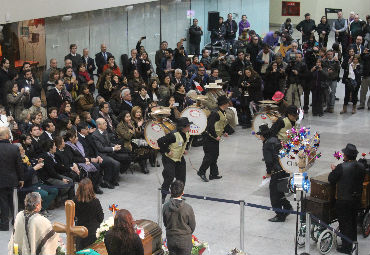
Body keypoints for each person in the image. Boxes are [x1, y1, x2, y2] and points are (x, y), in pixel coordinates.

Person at [328, 144, 365, 254]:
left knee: (344, 224)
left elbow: (331, 179)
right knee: (353, 222)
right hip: (356, 199)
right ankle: (353, 242)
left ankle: (346, 247)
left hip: (344, 200)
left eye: (344, 154)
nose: (343, 155)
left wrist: (334, 170)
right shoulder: (361, 166)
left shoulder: (341, 167)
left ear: (347, 156)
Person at [257, 124, 292, 222]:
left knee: (274, 194)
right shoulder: (276, 139)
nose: (260, 137)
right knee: (281, 191)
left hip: (277, 172)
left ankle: (280, 215)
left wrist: (268, 173)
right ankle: (287, 207)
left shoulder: (267, 145)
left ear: (263, 135)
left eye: (260, 135)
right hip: (285, 169)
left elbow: (269, 161)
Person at [158, 117, 192, 203]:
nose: (189, 127)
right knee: (169, 177)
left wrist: (185, 149)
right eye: (188, 126)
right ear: (182, 127)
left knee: (181, 178)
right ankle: (163, 195)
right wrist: (167, 150)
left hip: (179, 158)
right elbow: (160, 141)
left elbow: (186, 141)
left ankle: (177, 195)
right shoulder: (173, 135)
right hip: (169, 158)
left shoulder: (187, 133)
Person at [197, 95, 229, 182]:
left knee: (215, 155)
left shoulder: (223, 111)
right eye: (227, 103)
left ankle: (213, 174)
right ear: (224, 104)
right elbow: (210, 127)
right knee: (209, 156)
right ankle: (201, 172)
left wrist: (223, 132)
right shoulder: (215, 113)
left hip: (215, 138)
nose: (228, 104)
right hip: (209, 138)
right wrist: (215, 136)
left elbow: (220, 124)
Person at [163, 180, 196, 255]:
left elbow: (165, 223)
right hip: (184, 241)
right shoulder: (188, 208)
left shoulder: (165, 206)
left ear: (171, 192)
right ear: (182, 192)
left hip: (171, 239)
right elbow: (192, 226)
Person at [0, 127, 24, 231]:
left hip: (1, 180)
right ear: (6, 136)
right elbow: (19, 165)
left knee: (3, 202)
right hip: (12, 179)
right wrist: (21, 178)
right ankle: (16, 222)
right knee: (13, 202)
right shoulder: (14, 148)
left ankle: (4, 224)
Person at [73, 178, 104, 250]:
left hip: (80, 232)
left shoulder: (74, 200)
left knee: (80, 251)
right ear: (91, 189)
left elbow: (73, 217)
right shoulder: (95, 201)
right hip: (93, 233)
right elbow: (101, 218)